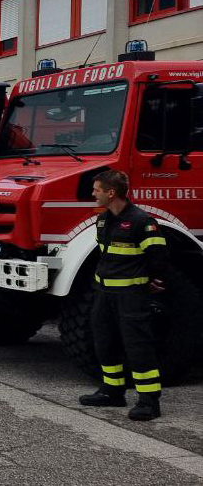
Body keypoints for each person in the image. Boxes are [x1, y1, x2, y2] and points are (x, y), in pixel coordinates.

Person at [79, 169, 169, 421]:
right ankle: (112, 391)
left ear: (111, 192)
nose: (93, 194)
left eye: (96, 189)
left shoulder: (142, 222)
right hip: (104, 293)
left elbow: (158, 258)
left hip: (131, 296)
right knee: (104, 341)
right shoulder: (103, 220)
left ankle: (149, 401)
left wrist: (155, 282)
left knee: (138, 346)